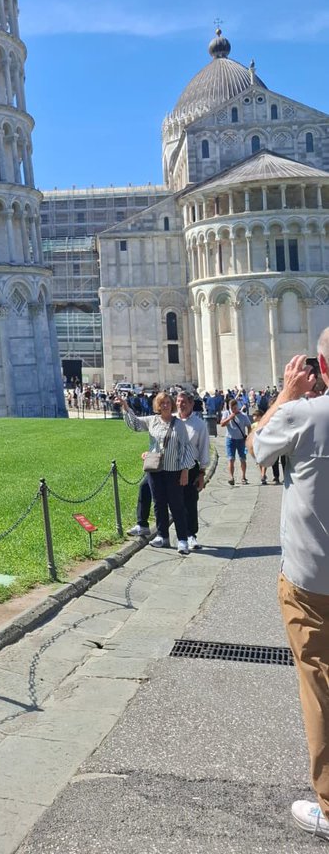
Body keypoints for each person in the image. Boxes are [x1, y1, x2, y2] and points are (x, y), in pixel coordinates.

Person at [253, 340, 329, 840]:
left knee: (319, 685)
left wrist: (285, 392)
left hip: (312, 579)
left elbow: (258, 446)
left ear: (321, 366)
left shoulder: (305, 413)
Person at [119, 391, 196, 552]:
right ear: (157, 406)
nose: (165, 405)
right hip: (155, 469)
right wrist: (125, 407)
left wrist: (185, 470)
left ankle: (182, 539)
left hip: (173, 469)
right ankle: (162, 536)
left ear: (172, 405)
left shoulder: (179, 424)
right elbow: (135, 424)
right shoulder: (152, 421)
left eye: (168, 402)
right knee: (159, 503)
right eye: (162, 403)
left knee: (176, 504)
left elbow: (186, 448)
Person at [176, 389, 210, 550]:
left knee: (189, 502)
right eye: (178, 401)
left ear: (191, 404)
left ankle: (191, 535)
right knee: (172, 501)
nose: (180, 404)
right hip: (172, 466)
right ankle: (163, 533)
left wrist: (202, 473)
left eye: (183, 402)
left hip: (191, 467)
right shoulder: (171, 420)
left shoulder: (199, 425)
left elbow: (204, 449)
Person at [220, 395, 252, 485]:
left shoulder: (243, 416)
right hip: (230, 439)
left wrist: (249, 436)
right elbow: (222, 424)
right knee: (231, 459)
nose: (233, 410)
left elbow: (249, 426)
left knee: (242, 459)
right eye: (231, 408)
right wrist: (229, 418)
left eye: (234, 408)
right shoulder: (226, 413)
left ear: (237, 406)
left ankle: (243, 477)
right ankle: (231, 477)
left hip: (241, 440)